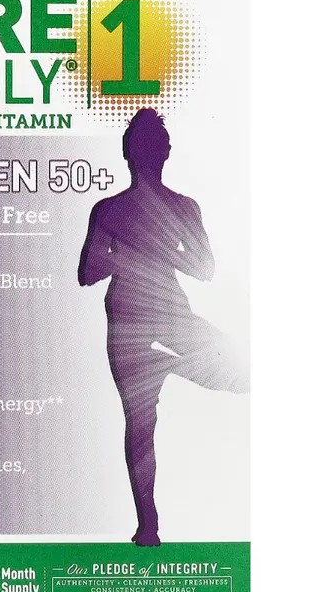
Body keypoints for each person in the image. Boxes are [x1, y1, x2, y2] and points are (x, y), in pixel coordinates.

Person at [78, 109, 246, 546]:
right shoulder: (110, 210)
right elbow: (87, 271)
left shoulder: (182, 208)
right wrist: (139, 252)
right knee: (140, 423)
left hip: (170, 315)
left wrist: (147, 249)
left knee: (241, 369)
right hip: (129, 322)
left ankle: (170, 365)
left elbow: (205, 268)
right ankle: (148, 525)